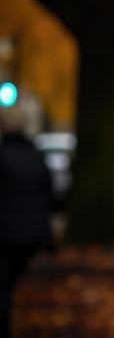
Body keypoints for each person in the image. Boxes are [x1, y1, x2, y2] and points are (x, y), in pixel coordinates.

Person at [0, 106, 54, 338]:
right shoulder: (36, 155)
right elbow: (50, 193)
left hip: (7, 233)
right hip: (33, 232)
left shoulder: (2, 155)